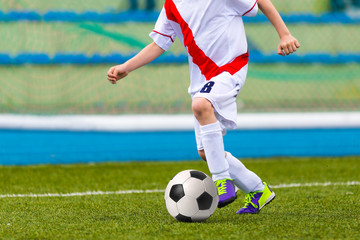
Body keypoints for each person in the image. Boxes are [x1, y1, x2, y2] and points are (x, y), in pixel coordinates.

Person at [107, 0, 300, 214]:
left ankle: (222, 181)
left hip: (231, 67)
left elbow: (260, 2)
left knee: (200, 106)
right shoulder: (172, 4)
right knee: (206, 152)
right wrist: (127, 67)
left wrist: (284, 34)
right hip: (202, 80)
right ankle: (257, 189)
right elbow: (159, 44)